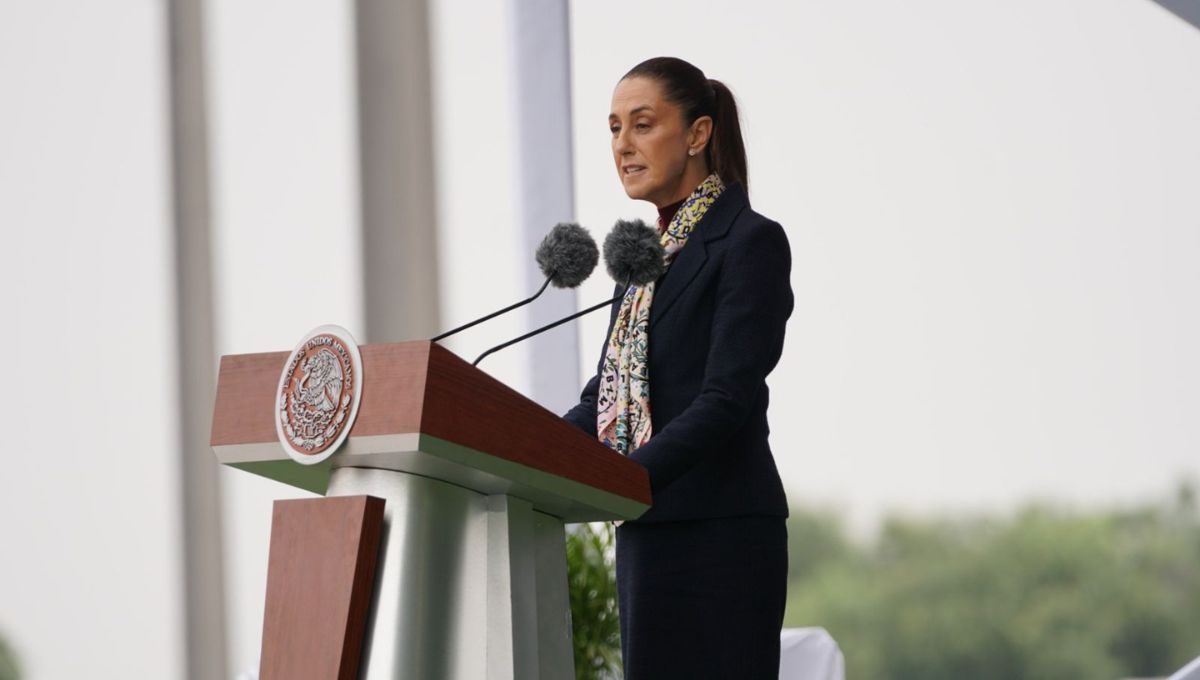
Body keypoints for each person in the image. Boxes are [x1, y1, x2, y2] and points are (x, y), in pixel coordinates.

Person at [563, 56, 794, 679]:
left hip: (721, 535)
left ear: (697, 134)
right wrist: (521, 448)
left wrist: (625, 480)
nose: (623, 145)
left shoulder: (748, 242)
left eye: (642, 124)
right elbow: (604, 397)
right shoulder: (643, 259)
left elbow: (725, 399)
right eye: (613, 128)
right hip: (647, 532)